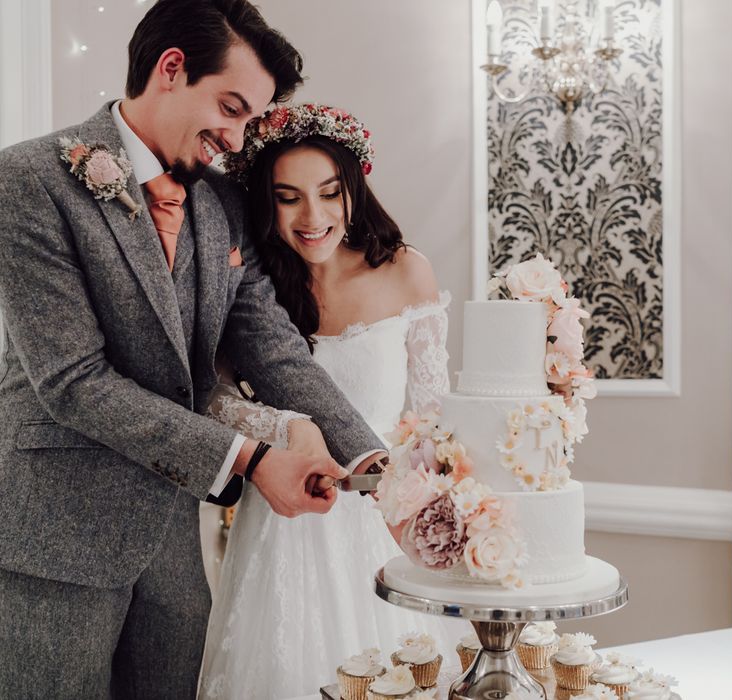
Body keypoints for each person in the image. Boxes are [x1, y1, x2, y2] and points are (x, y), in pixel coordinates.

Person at [0, 2, 386, 698]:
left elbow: (272, 349)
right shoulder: (28, 180)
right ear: (171, 68)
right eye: (231, 107)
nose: (237, 139)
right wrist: (250, 459)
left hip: (175, 550)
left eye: (249, 120)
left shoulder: (222, 204)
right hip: (55, 541)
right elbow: (73, 381)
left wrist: (370, 457)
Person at [199, 104, 457, 699]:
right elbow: (211, 398)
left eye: (329, 193)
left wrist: (432, 511)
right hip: (283, 522)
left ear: (353, 191)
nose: (313, 217)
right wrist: (285, 428)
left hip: (383, 520)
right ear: (265, 204)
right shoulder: (247, 289)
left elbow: (435, 420)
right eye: (288, 197)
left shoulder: (404, 272)